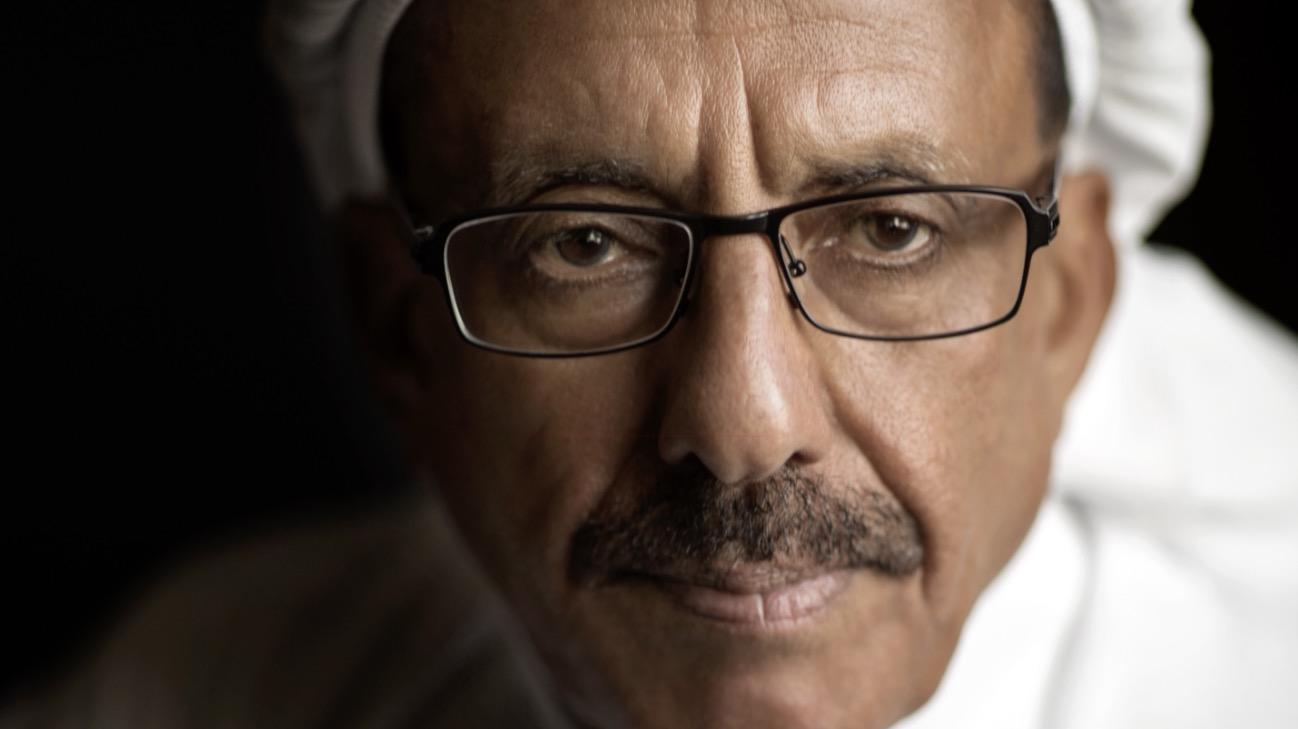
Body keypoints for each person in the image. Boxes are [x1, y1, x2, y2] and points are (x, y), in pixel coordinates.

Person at [5, 0, 1295, 727]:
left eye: (890, 232)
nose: (742, 424)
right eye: (584, 244)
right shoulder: (189, 696)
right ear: (399, 331)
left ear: (1069, 307)